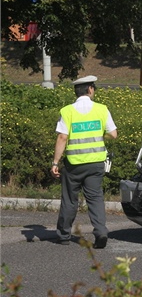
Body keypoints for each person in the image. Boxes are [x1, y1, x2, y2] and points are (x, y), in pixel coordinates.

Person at [50, 75, 118, 248]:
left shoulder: (67, 111)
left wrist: (55, 162)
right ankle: (101, 232)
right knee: (95, 198)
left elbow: (62, 137)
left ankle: (64, 235)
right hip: (96, 163)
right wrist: (98, 135)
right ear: (90, 89)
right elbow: (113, 134)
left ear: (76, 92)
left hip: (74, 165)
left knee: (69, 200)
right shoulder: (102, 109)